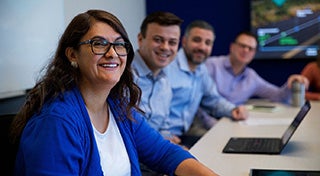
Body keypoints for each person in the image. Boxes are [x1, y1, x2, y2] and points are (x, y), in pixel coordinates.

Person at [10, 10, 219, 176]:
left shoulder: (118, 108)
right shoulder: (56, 122)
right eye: (99, 44)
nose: (112, 54)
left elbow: (164, 153)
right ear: (72, 54)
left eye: (119, 45)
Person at [164, 20, 248, 148]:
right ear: (184, 41)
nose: (202, 47)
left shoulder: (201, 69)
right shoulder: (166, 65)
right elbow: (150, 115)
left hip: (182, 135)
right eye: (197, 40)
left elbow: (213, 99)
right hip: (163, 138)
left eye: (208, 43)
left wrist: (233, 110)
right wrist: (163, 137)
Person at [205, 31, 310, 105]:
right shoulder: (211, 66)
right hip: (204, 129)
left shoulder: (251, 77)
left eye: (250, 48)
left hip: (231, 125)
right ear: (232, 47)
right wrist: (213, 125)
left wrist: (290, 83)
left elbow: (278, 96)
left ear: (254, 53)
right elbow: (199, 103)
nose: (246, 51)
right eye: (242, 46)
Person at [131, 11, 183, 144]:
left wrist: (169, 140)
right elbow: (128, 134)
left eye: (172, 42)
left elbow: (163, 126)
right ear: (140, 39)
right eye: (158, 40)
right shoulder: (123, 76)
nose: (165, 47)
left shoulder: (164, 80)